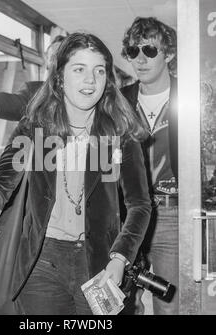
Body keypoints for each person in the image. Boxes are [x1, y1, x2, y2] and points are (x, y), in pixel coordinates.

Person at [0, 32, 151, 315]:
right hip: (41, 261)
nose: (90, 80)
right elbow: (1, 183)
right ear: (60, 77)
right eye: (79, 69)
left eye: (99, 71)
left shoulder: (118, 131)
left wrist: (120, 258)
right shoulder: (36, 128)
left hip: (101, 262)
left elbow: (140, 204)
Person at [120, 17, 178, 315]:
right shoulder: (119, 102)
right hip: (128, 214)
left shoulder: (193, 99)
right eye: (133, 51)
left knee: (168, 306)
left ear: (167, 54)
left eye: (150, 51)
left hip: (173, 215)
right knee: (123, 304)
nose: (140, 59)